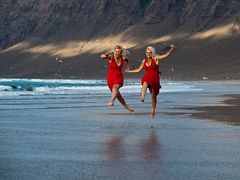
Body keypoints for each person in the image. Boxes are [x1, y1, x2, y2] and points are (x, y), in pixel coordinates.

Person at [125, 45, 176, 116]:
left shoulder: (155, 58)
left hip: (154, 79)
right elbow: (138, 70)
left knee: (153, 96)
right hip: (147, 77)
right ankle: (142, 97)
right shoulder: (144, 61)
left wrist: (171, 50)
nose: (148, 54)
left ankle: (153, 110)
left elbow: (165, 56)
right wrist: (129, 71)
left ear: (152, 53)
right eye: (147, 52)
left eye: (150, 52)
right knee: (145, 83)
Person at [100, 45, 134, 112]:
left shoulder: (123, 58)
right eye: (115, 51)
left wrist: (127, 68)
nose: (116, 53)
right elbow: (101, 56)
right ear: (114, 51)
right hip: (110, 78)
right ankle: (127, 106)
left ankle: (111, 101)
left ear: (120, 52)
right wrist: (105, 55)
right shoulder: (111, 57)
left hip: (119, 77)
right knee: (118, 95)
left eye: (118, 51)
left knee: (115, 88)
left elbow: (127, 60)